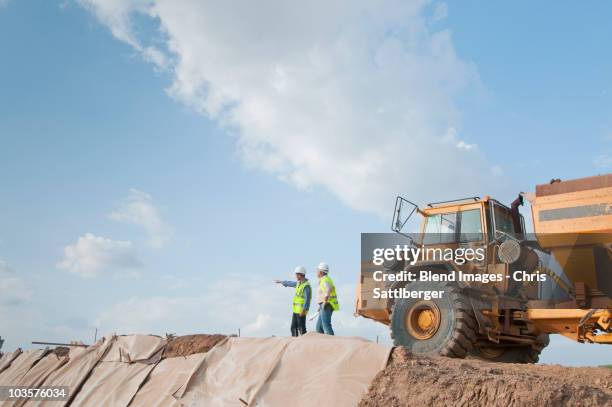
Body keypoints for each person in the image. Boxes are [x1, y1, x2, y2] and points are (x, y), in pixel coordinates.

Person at [274, 266, 312, 336]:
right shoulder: (298, 284)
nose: (295, 276)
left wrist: (304, 309)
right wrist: (282, 282)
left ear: (300, 274)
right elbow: (290, 283)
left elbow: (307, 299)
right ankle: (295, 342)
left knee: (301, 328)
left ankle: (304, 343)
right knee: (293, 328)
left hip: (301, 311)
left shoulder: (306, 286)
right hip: (295, 310)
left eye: (296, 274)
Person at [315, 262, 339, 335]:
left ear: (321, 272)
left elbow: (328, 289)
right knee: (319, 328)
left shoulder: (325, 280)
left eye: (317, 270)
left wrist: (325, 301)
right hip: (324, 305)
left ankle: (332, 344)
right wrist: (320, 306)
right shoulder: (325, 279)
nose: (316, 272)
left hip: (327, 304)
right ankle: (323, 344)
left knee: (326, 326)